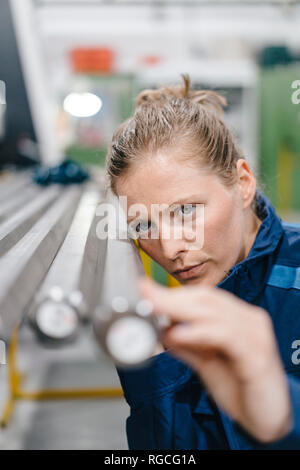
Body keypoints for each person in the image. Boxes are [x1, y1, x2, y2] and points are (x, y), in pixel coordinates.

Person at [105, 74, 300, 449]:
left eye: (186, 211)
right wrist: (153, 372)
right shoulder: (170, 329)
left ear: (242, 183)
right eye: (143, 224)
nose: (170, 247)